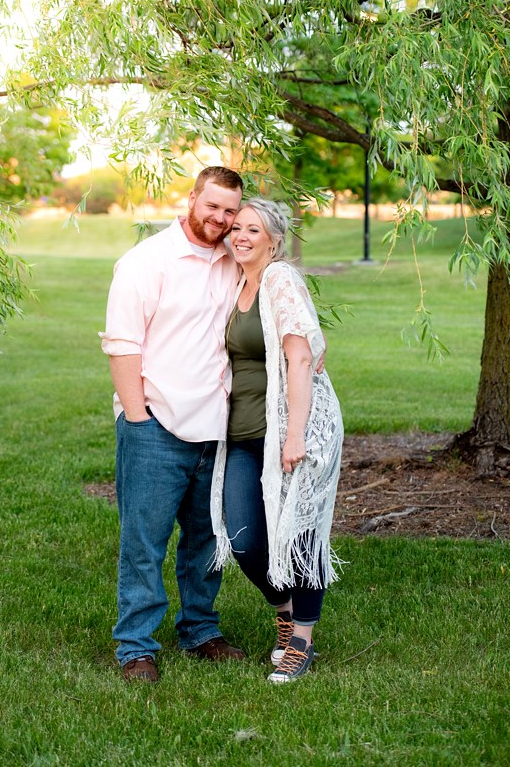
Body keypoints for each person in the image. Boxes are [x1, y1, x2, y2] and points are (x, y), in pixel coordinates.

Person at [101, 165, 248, 682]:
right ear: (191, 198)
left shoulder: (235, 261)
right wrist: (138, 420)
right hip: (156, 425)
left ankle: (200, 631)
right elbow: (122, 345)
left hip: (216, 427)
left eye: (230, 210)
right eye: (213, 206)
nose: (221, 218)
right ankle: (135, 646)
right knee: (145, 542)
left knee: (207, 543)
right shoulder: (146, 262)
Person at [209, 197, 343, 683]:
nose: (240, 235)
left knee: (300, 534)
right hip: (244, 433)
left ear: (274, 240)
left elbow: (301, 358)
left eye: (253, 229)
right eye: (237, 227)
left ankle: (301, 643)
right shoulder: (235, 280)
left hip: (293, 432)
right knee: (243, 536)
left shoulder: (279, 279)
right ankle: (285, 610)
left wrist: (296, 436)